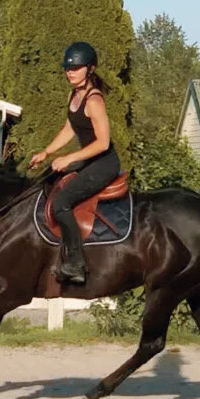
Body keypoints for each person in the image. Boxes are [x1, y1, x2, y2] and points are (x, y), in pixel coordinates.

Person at [30, 42, 121, 285]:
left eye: (76, 68)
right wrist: (46, 153)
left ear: (90, 69)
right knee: (46, 182)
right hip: (89, 160)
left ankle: (76, 264)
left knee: (61, 203)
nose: (70, 72)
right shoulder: (74, 95)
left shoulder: (94, 101)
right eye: (67, 68)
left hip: (104, 163)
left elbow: (103, 143)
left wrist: (70, 157)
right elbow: (70, 128)